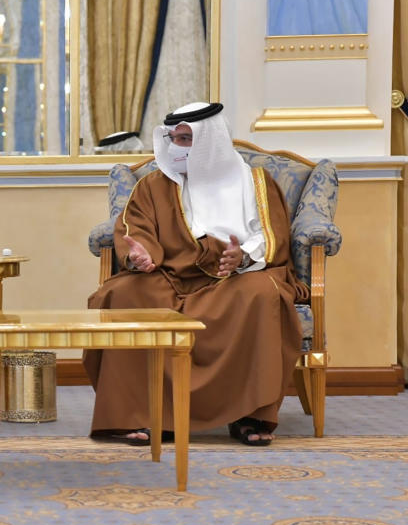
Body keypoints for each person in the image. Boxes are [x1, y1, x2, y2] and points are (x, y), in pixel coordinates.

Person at [83, 102, 307, 447]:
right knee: (121, 294)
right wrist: (139, 255)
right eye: (173, 138)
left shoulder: (255, 183)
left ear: (210, 141)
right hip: (170, 273)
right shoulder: (153, 185)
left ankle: (248, 415)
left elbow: (273, 235)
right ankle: (136, 414)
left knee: (262, 295)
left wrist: (242, 257)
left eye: (186, 139)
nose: (176, 147)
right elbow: (135, 228)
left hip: (234, 277)